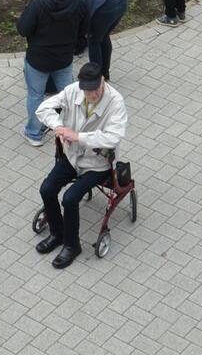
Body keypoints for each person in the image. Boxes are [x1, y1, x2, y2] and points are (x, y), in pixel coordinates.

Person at [32, 61, 125, 270]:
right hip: (72, 156)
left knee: (70, 198)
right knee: (46, 189)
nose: (91, 94)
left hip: (97, 163)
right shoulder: (73, 91)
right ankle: (57, 233)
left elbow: (114, 137)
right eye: (87, 90)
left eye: (94, 89)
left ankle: (72, 246)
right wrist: (58, 126)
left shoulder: (116, 102)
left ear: (102, 81)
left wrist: (79, 136)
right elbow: (44, 108)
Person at [17, 0, 88, 146]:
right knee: (68, 95)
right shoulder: (79, 1)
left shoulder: (39, 3)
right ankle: (70, 129)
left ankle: (34, 133)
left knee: (36, 95)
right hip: (64, 58)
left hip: (38, 60)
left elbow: (23, 28)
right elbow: (84, 29)